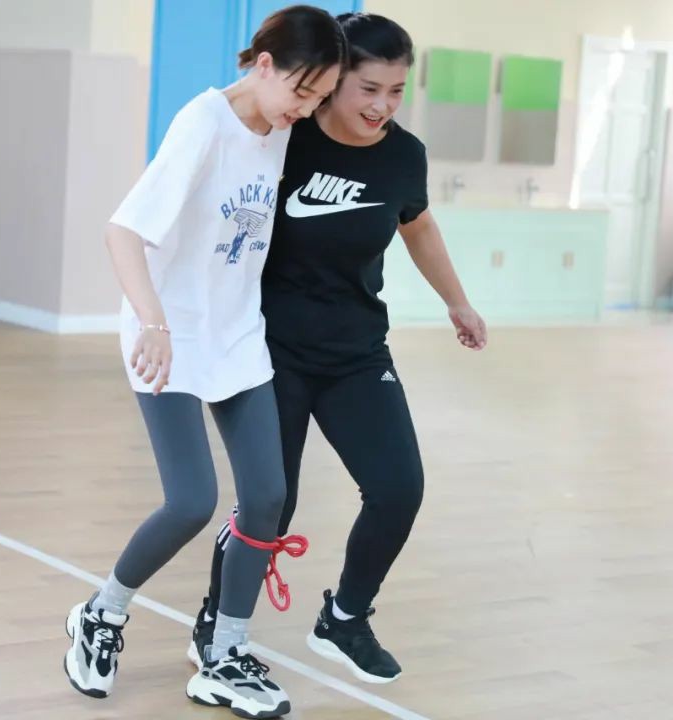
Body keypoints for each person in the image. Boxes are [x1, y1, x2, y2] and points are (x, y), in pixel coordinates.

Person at [190, 12, 487, 686]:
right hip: (271, 352)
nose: (383, 106)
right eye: (368, 89)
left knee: (398, 489)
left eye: (397, 91)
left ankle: (344, 618)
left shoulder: (404, 156)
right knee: (271, 502)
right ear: (333, 81)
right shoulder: (285, 138)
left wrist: (457, 301)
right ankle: (216, 621)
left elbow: (418, 225)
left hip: (356, 352)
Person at [63, 7, 343, 718]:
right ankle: (101, 612)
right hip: (168, 333)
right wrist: (154, 324)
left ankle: (224, 653)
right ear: (264, 64)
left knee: (268, 495)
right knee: (190, 500)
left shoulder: (280, 125)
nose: (304, 111)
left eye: (318, 99)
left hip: (236, 334)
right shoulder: (203, 124)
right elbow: (122, 232)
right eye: (302, 92)